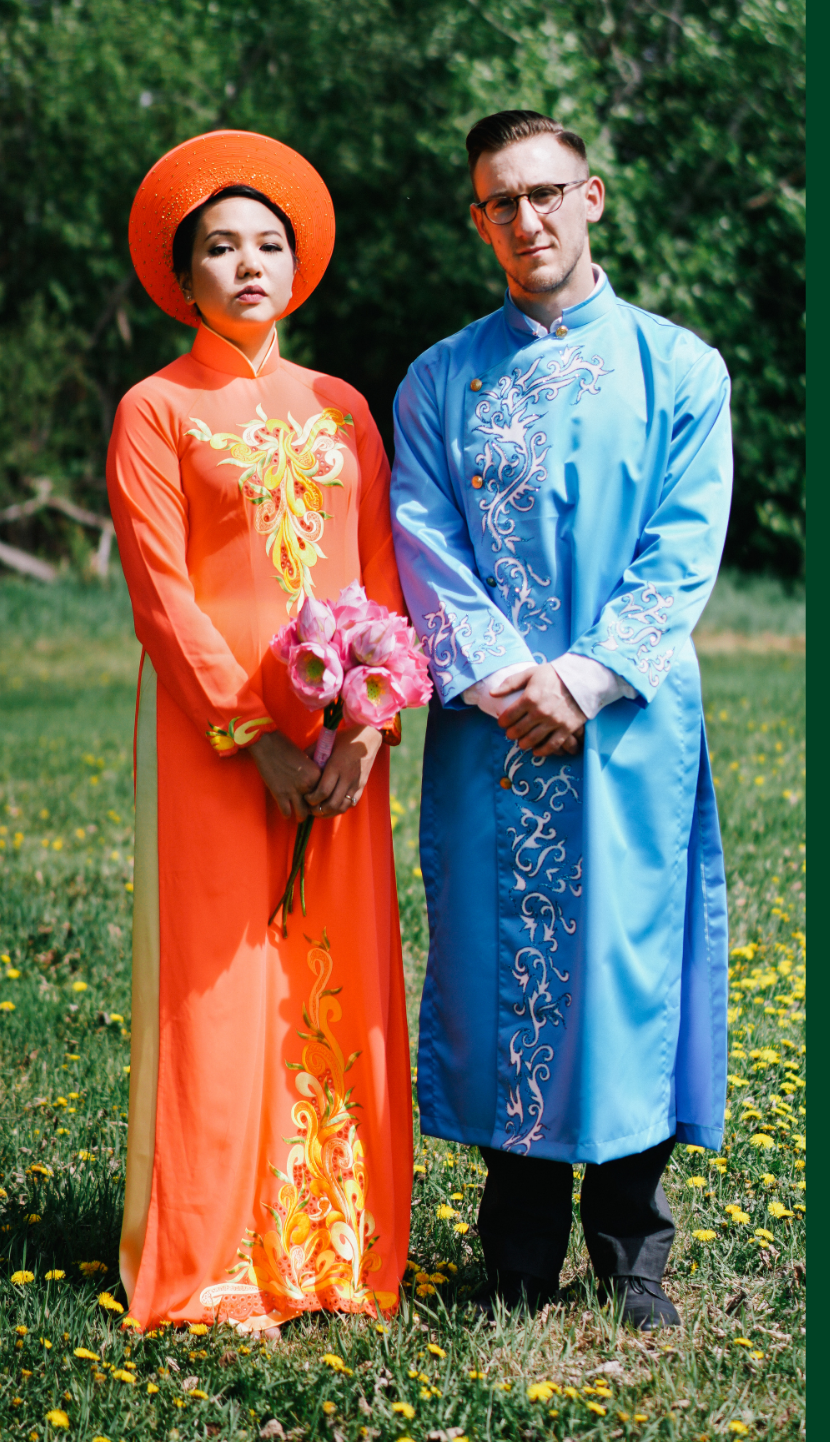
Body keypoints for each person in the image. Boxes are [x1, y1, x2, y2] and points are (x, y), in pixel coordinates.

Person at [391, 110, 733, 1329]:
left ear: (594, 198)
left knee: (629, 972)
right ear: (477, 218)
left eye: (546, 194)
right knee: (500, 970)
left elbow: (682, 549)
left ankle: (633, 1252)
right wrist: (504, 679)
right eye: (500, 202)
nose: (526, 220)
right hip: (492, 731)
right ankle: (519, 1250)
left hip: (627, 728)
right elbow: (421, 541)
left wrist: (582, 681)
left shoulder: (679, 368)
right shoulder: (439, 378)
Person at [106, 130, 412, 1334]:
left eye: (267, 244)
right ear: (185, 277)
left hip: (343, 748)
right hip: (215, 737)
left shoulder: (342, 407)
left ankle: (330, 1255)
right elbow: (163, 598)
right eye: (220, 248)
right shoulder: (155, 410)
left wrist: (365, 727)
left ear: (297, 265)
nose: (248, 263)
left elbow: (383, 578)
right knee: (222, 983)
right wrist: (255, 733)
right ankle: (214, 1263)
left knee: (335, 980)